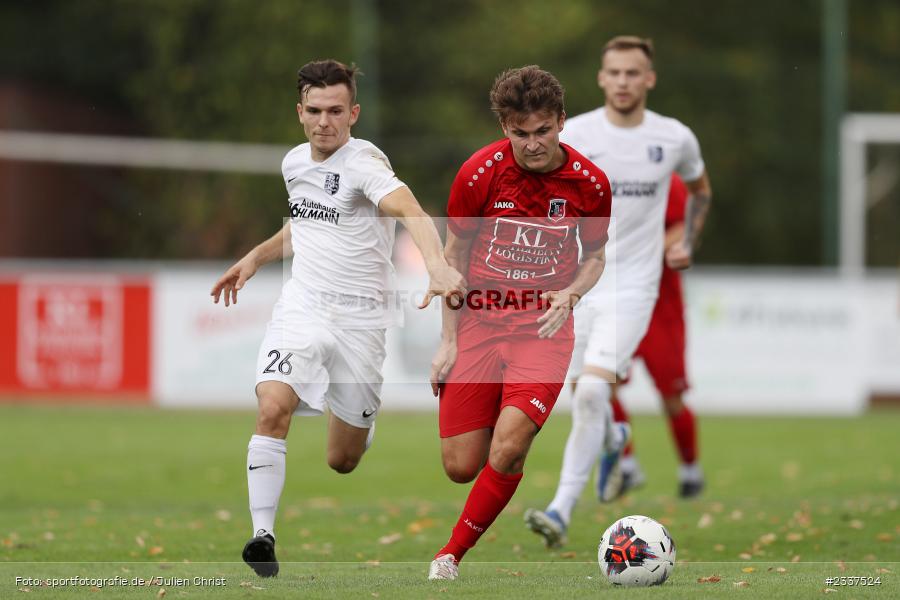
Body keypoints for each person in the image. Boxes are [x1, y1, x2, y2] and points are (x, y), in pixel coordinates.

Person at [210, 59, 465, 577]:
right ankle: (263, 535)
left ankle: (355, 424)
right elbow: (305, 227)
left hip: (362, 322)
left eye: (334, 111)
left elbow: (412, 213)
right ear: (299, 112)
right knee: (272, 407)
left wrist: (437, 267)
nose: (324, 121)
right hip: (302, 306)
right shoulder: (293, 164)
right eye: (314, 110)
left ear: (353, 113)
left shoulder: (365, 164)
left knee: (342, 459)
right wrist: (256, 257)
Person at [426, 65, 613, 580]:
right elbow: (453, 257)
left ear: (561, 122)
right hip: (479, 327)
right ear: (504, 127)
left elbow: (595, 258)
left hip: (543, 331)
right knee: (462, 466)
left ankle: (449, 556)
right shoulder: (478, 174)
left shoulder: (591, 184)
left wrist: (571, 294)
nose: (532, 145)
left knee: (508, 446)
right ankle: (502, 447)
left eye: (543, 132)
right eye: (520, 134)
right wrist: (447, 341)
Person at [525, 35, 712, 548]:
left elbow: (700, 191)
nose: (624, 82)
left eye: (634, 73)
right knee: (579, 393)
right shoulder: (576, 134)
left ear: (648, 79)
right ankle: (613, 437)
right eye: (615, 73)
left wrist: (686, 240)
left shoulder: (673, 138)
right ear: (602, 78)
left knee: (591, 390)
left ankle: (561, 509)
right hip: (574, 284)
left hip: (634, 286)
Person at [609, 174, 704, 499]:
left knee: (671, 398)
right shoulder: (594, 173)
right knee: (601, 386)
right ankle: (628, 465)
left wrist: (640, 251)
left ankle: (691, 470)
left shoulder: (664, 177)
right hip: (615, 306)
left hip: (659, 309)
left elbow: (683, 226)